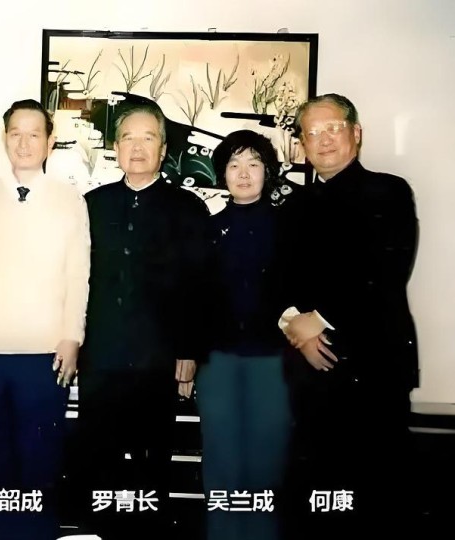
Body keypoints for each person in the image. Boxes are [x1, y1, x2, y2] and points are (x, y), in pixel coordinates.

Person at [281, 93, 419, 538]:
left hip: (375, 367)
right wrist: (293, 324)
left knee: (375, 496)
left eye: (332, 128)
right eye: (312, 132)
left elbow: (386, 268)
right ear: (302, 144)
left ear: (355, 133)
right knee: (317, 495)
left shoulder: (389, 191)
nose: (323, 140)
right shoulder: (294, 205)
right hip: (310, 367)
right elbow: (277, 278)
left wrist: (318, 319)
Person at [79, 102, 210, 539]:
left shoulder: (187, 207)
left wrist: (189, 351)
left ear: (163, 149)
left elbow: (199, 284)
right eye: (128, 138)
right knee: (99, 463)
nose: (137, 148)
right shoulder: (92, 205)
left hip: (159, 360)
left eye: (148, 138)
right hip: (101, 358)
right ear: (116, 147)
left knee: (152, 466)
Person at [0, 99, 90, 540]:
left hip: (45, 351)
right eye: (15, 133)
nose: (24, 142)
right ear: (4, 138)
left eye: (34, 133)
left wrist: (72, 336)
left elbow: (78, 274)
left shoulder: (69, 200)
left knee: (39, 463)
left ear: (50, 142)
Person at [195, 130, 295, 540]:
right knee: (221, 458)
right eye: (234, 164)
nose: (243, 173)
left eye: (253, 164)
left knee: (266, 461)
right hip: (218, 360)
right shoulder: (208, 228)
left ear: (267, 171)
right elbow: (195, 298)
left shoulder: (287, 227)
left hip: (272, 360)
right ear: (222, 173)